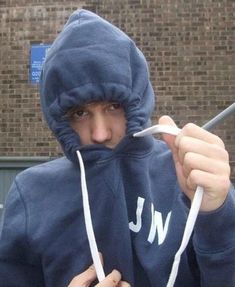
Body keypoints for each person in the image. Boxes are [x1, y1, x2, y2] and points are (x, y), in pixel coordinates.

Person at [0, 9, 234, 287]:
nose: (100, 133)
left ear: (135, 100)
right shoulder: (32, 193)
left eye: (113, 106)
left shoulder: (184, 174)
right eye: (80, 113)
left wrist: (218, 213)